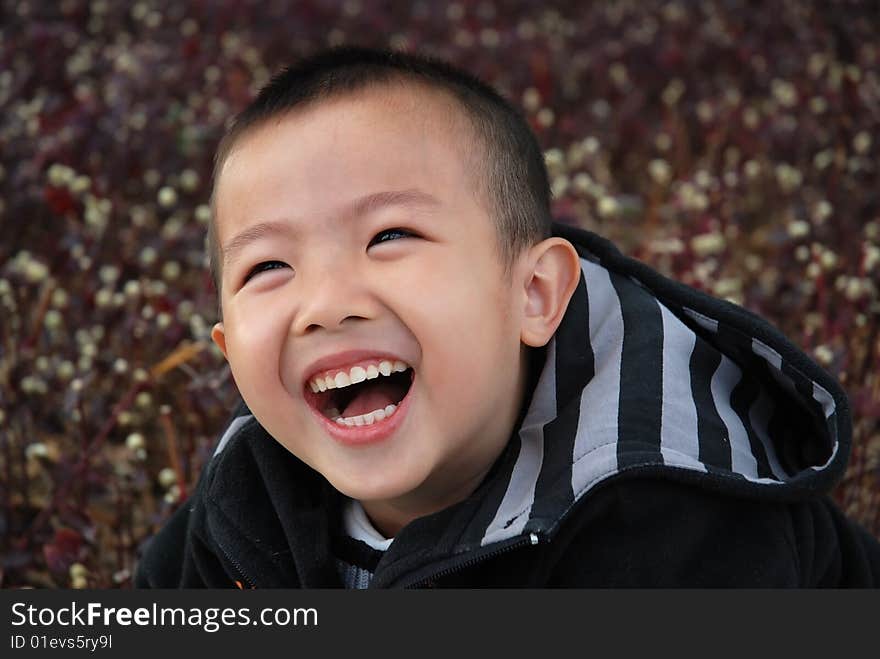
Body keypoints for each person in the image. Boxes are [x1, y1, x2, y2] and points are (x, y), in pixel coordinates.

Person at [135, 46, 880, 588]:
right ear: (230, 350)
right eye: (268, 266)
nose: (327, 304)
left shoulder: (658, 510)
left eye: (389, 236)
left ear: (533, 294)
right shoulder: (248, 489)